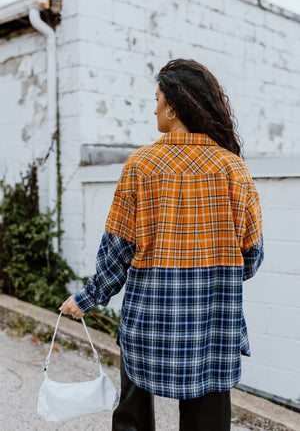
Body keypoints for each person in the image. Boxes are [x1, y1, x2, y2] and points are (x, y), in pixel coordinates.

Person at [60, 58, 264, 431]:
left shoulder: (141, 165)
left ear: (172, 105)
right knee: (208, 422)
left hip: (148, 321)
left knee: (132, 420)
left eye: (156, 98)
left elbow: (117, 251)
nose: (153, 107)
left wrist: (88, 298)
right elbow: (251, 256)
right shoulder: (233, 168)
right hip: (212, 325)